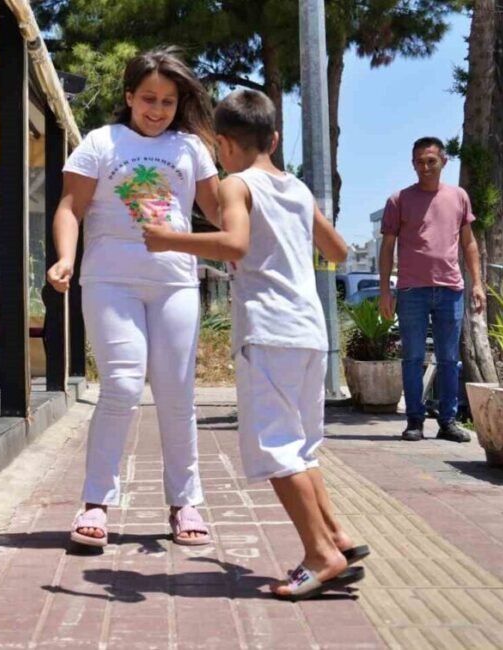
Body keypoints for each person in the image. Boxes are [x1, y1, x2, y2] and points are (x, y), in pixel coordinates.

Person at [142, 89, 368, 600]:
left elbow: (235, 244)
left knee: (274, 448)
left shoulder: (234, 186)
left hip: (269, 330)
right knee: (301, 447)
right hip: (310, 331)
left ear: (222, 144)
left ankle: (320, 555)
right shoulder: (297, 188)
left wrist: (168, 239)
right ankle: (338, 537)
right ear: (275, 137)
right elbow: (335, 249)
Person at [46, 47, 220, 548]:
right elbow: (69, 208)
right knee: (121, 385)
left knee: (176, 392)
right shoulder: (101, 142)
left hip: (176, 282)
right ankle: (96, 502)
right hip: (109, 280)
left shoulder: (190, 148)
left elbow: (218, 209)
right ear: (128, 96)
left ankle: (184, 502)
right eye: (148, 98)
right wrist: (64, 258)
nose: (157, 109)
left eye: (168, 100)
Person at [378, 137, 485, 443]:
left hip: (451, 289)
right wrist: (385, 290)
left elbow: (469, 243)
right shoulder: (399, 200)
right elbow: (387, 248)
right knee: (412, 358)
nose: (424, 168)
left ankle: (448, 422)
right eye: (419, 162)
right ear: (413, 164)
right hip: (412, 291)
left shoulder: (459, 197)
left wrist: (477, 283)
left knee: (449, 359)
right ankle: (414, 420)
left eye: (430, 161)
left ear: (443, 162)